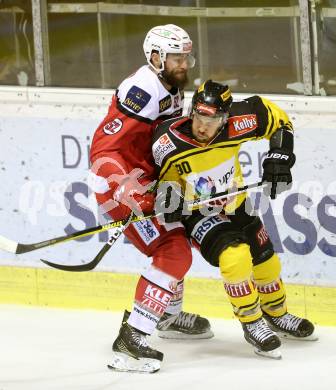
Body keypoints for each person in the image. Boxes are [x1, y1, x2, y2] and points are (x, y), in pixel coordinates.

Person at [152, 80, 317, 360]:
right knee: (236, 257)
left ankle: (276, 314)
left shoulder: (239, 122)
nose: (203, 126)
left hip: (235, 204)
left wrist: (280, 157)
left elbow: (278, 119)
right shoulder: (167, 141)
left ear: (225, 118)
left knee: (266, 259)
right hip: (198, 213)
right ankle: (252, 323)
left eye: (213, 119)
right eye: (199, 117)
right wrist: (169, 198)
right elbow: (160, 179)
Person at [89, 24, 213, 374]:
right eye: (176, 57)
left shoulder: (172, 86)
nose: (183, 64)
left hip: (149, 184)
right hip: (119, 190)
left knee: (185, 236)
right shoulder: (141, 90)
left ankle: (167, 317)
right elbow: (105, 149)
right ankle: (132, 338)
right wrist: (125, 188)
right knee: (173, 251)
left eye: (186, 56)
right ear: (155, 57)